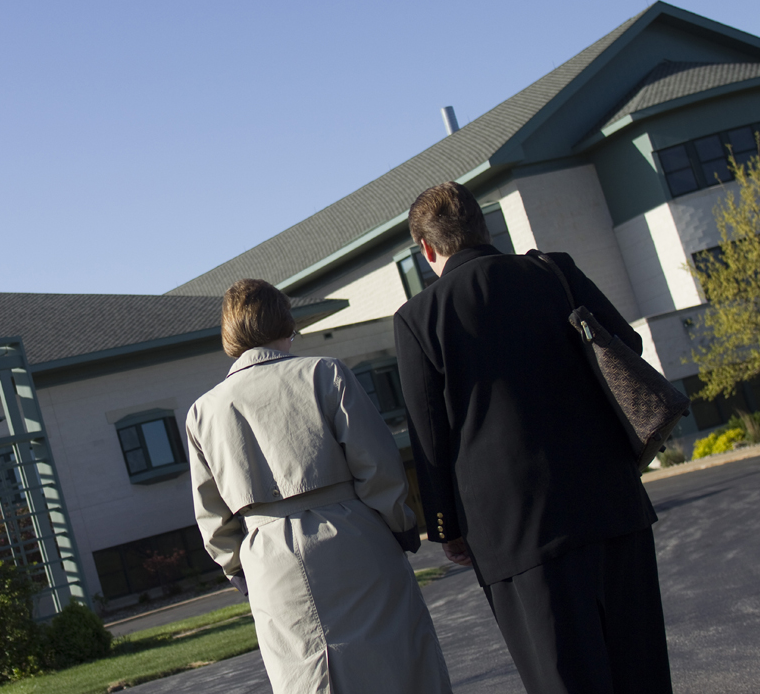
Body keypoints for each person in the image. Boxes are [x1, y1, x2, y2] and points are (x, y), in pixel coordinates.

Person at [394, 182, 672, 694]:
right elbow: (625, 346)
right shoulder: (555, 271)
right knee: (643, 673)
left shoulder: (418, 319)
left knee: (564, 680)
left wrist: (445, 525)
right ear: (484, 226)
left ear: (428, 250)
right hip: (611, 501)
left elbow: (429, 437)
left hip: (513, 533)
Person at [187, 278, 452, 694]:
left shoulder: (202, 412)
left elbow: (211, 513)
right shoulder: (323, 372)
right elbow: (377, 464)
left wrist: (237, 568)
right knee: (398, 663)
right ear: (285, 324)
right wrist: (400, 524)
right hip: (351, 534)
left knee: (306, 675)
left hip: (268, 555)